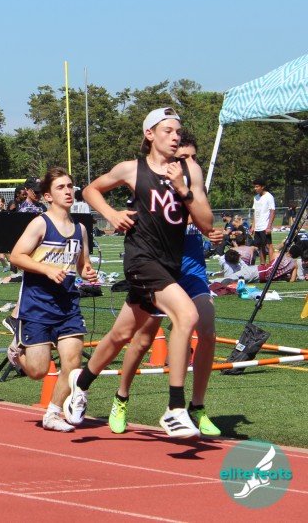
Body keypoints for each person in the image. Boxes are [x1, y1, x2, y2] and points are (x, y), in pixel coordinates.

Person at [69, 107, 214, 438]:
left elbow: (206, 223)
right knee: (187, 315)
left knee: (121, 334)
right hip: (140, 259)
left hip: (169, 264)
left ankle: (82, 382)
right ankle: (175, 408)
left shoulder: (189, 170)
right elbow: (90, 190)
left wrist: (183, 190)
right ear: (150, 134)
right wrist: (111, 213)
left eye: (178, 131)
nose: (175, 136)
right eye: (167, 130)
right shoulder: (132, 169)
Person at [107, 131, 223, 437]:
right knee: (142, 340)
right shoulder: (156, 183)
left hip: (192, 271)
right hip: (160, 270)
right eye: (183, 157)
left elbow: (206, 220)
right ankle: (121, 397)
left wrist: (212, 232)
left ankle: (196, 407)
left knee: (208, 331)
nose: (190, 162)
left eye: (194, 157)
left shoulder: (191, 181)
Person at [6, 168, 97, 432]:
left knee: (73, 362)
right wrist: (46, 269)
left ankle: (53, 413)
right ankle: (16, 351)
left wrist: (87, 272)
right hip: (37, 306)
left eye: (70, 186)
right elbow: (16, 256)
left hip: (68, 306)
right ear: (48, 196)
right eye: (61, 187)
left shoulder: (80, 229)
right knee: (38, 371)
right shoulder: (40, 224)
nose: (68, 191)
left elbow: (82, 264)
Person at [251, 178, 276, 264]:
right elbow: (255, 212)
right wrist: (253, 226)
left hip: (265, 226)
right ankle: (263, 264)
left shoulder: (269, 197)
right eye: (254, 187)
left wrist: (269, 226)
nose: (255, 188)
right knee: (260, 246)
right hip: (258, 227)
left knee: (268, 245)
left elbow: (272, 211)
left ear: (263, 187)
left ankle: (272, 265)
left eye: (257, 186)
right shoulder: (256, 198)